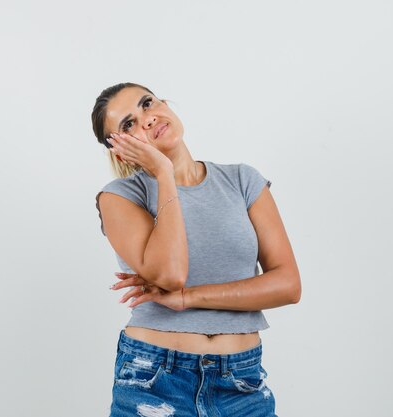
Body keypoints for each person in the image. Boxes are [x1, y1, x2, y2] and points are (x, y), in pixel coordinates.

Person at [92, 82, 301, 417]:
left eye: (147, 103)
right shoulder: (119, 196)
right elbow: (172, 274)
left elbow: (288, 286)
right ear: (120, 150)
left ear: (166, 104)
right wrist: (163, 172)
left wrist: (191, 298)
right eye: (128, 124)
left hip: (242, 383)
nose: (146, 119)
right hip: (155, 379)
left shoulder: (242, 180)